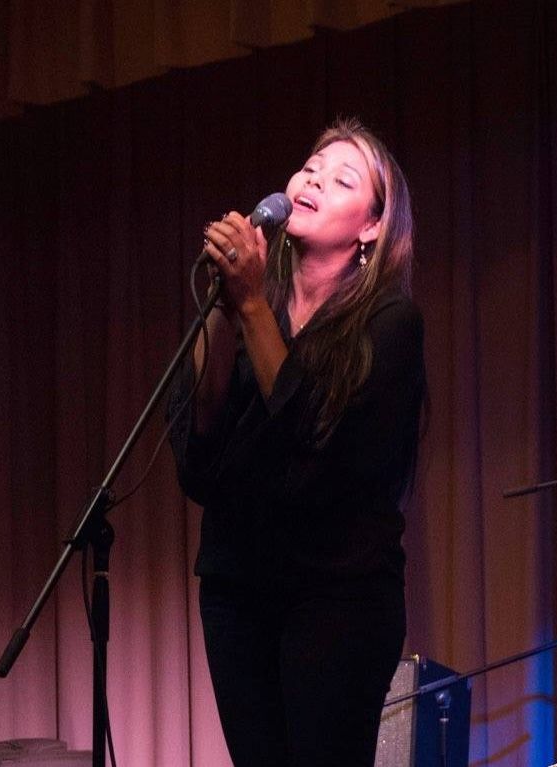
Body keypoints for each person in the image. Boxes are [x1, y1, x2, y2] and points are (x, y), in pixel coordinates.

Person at [169, 118, 425, 766]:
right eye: (310, 167)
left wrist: (251, 306)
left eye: (341, 179)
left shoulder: (389, 323)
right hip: (237, 590)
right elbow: (198, 453)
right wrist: (223, 307)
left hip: (337, 597)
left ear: (371, 227)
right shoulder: (255, 305)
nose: (313, 180)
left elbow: (315, 452)